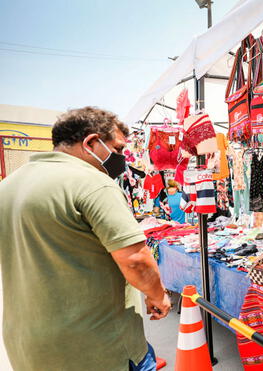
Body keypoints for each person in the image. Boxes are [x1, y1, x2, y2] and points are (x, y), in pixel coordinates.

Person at [0, 107, 171, 370]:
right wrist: (158, 296)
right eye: (117, 150)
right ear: (91, 142)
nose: (122, 158)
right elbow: (136, 260)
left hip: (27, 346)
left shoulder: (8, 186)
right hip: (97, 349)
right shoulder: (92, 183)